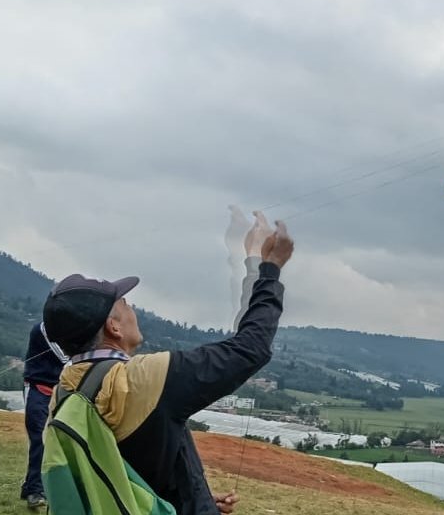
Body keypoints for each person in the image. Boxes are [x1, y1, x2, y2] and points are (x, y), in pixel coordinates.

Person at [41, 219, 292, 515]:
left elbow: (120, 472)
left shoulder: (66, 391)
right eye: (125, 303)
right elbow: (251, 347)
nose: (132, 308)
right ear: (114, 327)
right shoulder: (142, 379)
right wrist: (271, 268)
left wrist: (198, 499)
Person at [21, 321, 65, 509]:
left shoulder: (71, 331)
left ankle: (30, 485)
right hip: (37, 388)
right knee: (40, 438)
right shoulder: (44, 328)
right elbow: (65, 357)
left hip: (58, 390)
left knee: (54, 439)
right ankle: (35, 492)